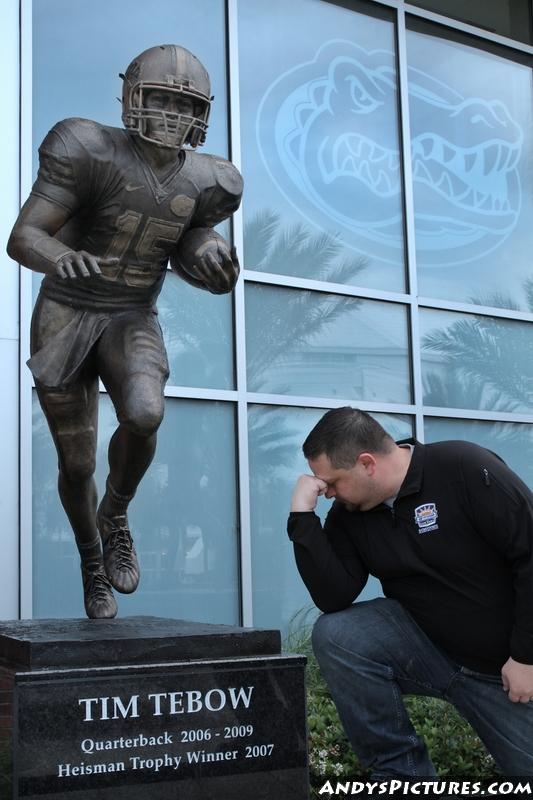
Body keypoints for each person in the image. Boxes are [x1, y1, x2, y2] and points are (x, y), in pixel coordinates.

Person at [7, 44, 243, 620]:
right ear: (132, 95)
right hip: (66, 310)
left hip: (131, 313)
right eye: (159, 97)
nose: (169, 113)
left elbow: (188, 239)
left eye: (182, 104)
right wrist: (59, 256)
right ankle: (92, 560)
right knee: (77, 464)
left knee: (144, 413)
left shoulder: (214, 179)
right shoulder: (88, 148)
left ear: (202, 113)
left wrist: (212, 254)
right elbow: (24, 234)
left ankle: (116, 513)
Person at [288, 407, 533, 779]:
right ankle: (402, 778)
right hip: (429, 650)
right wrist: (302, 517)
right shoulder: (351, 511)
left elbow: (530, 555)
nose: (328, 493)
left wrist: (526, 657)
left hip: (504, 670)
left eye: (331, 483)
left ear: (367, 463)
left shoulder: (465, 467)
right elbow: (334, 597)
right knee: (337, 634)